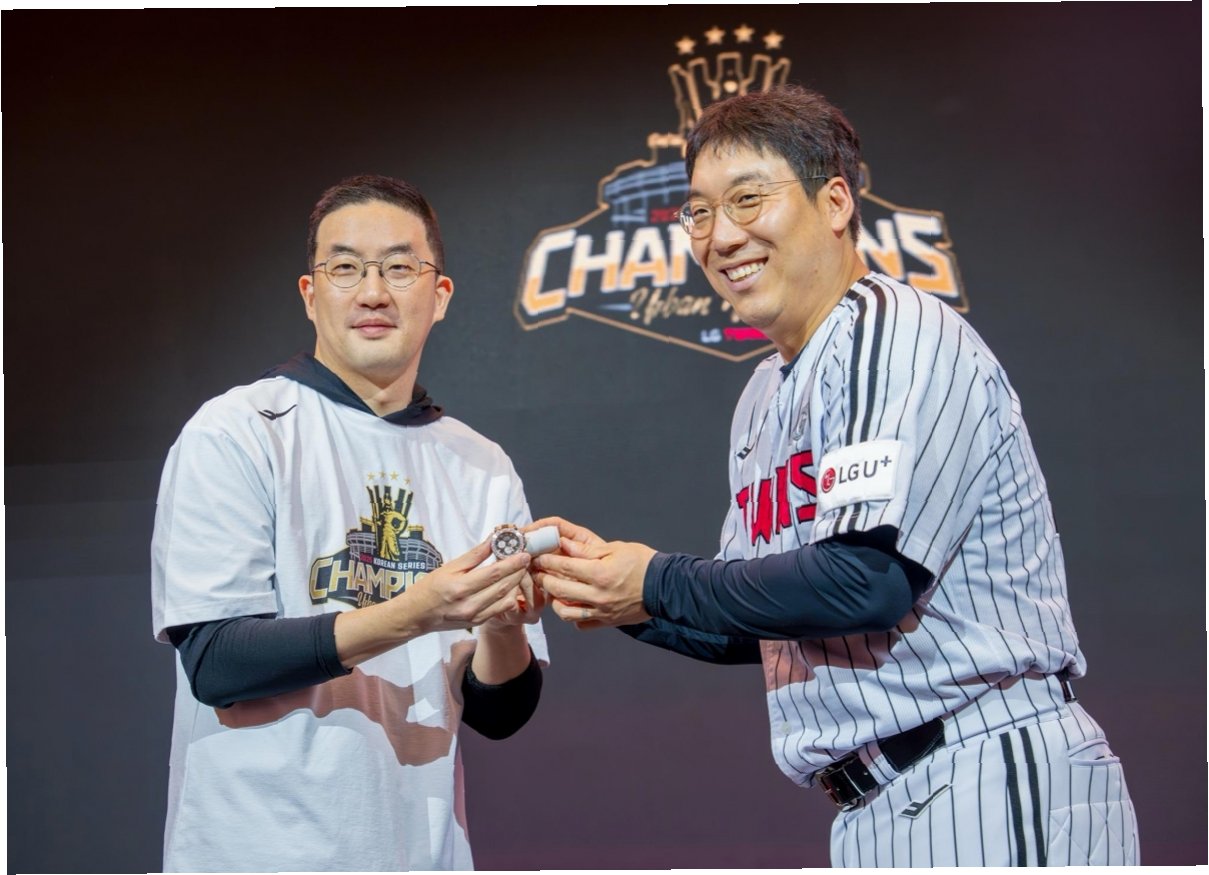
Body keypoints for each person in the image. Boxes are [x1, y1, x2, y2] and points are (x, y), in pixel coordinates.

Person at [531, 85, 1138, 867]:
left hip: (982, 766)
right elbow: (762, 618)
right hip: (878, 803)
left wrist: (653, 580)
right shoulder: (763, 393)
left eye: (748, 199)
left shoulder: (894, 331)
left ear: (835, 201)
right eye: (699, 212)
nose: (722, 235)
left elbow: (865, 581)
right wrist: (611, 590)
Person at [151, 174, 547, 872]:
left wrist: (502, 622)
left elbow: (498, 712)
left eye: (399, 268)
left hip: (422, 854)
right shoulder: (238, 431)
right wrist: (417, 611)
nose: (372, 292)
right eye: (345, 268)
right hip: (256, 853)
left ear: (439, 295)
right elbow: (217, 661)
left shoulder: (480, 464)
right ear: (311, 294)